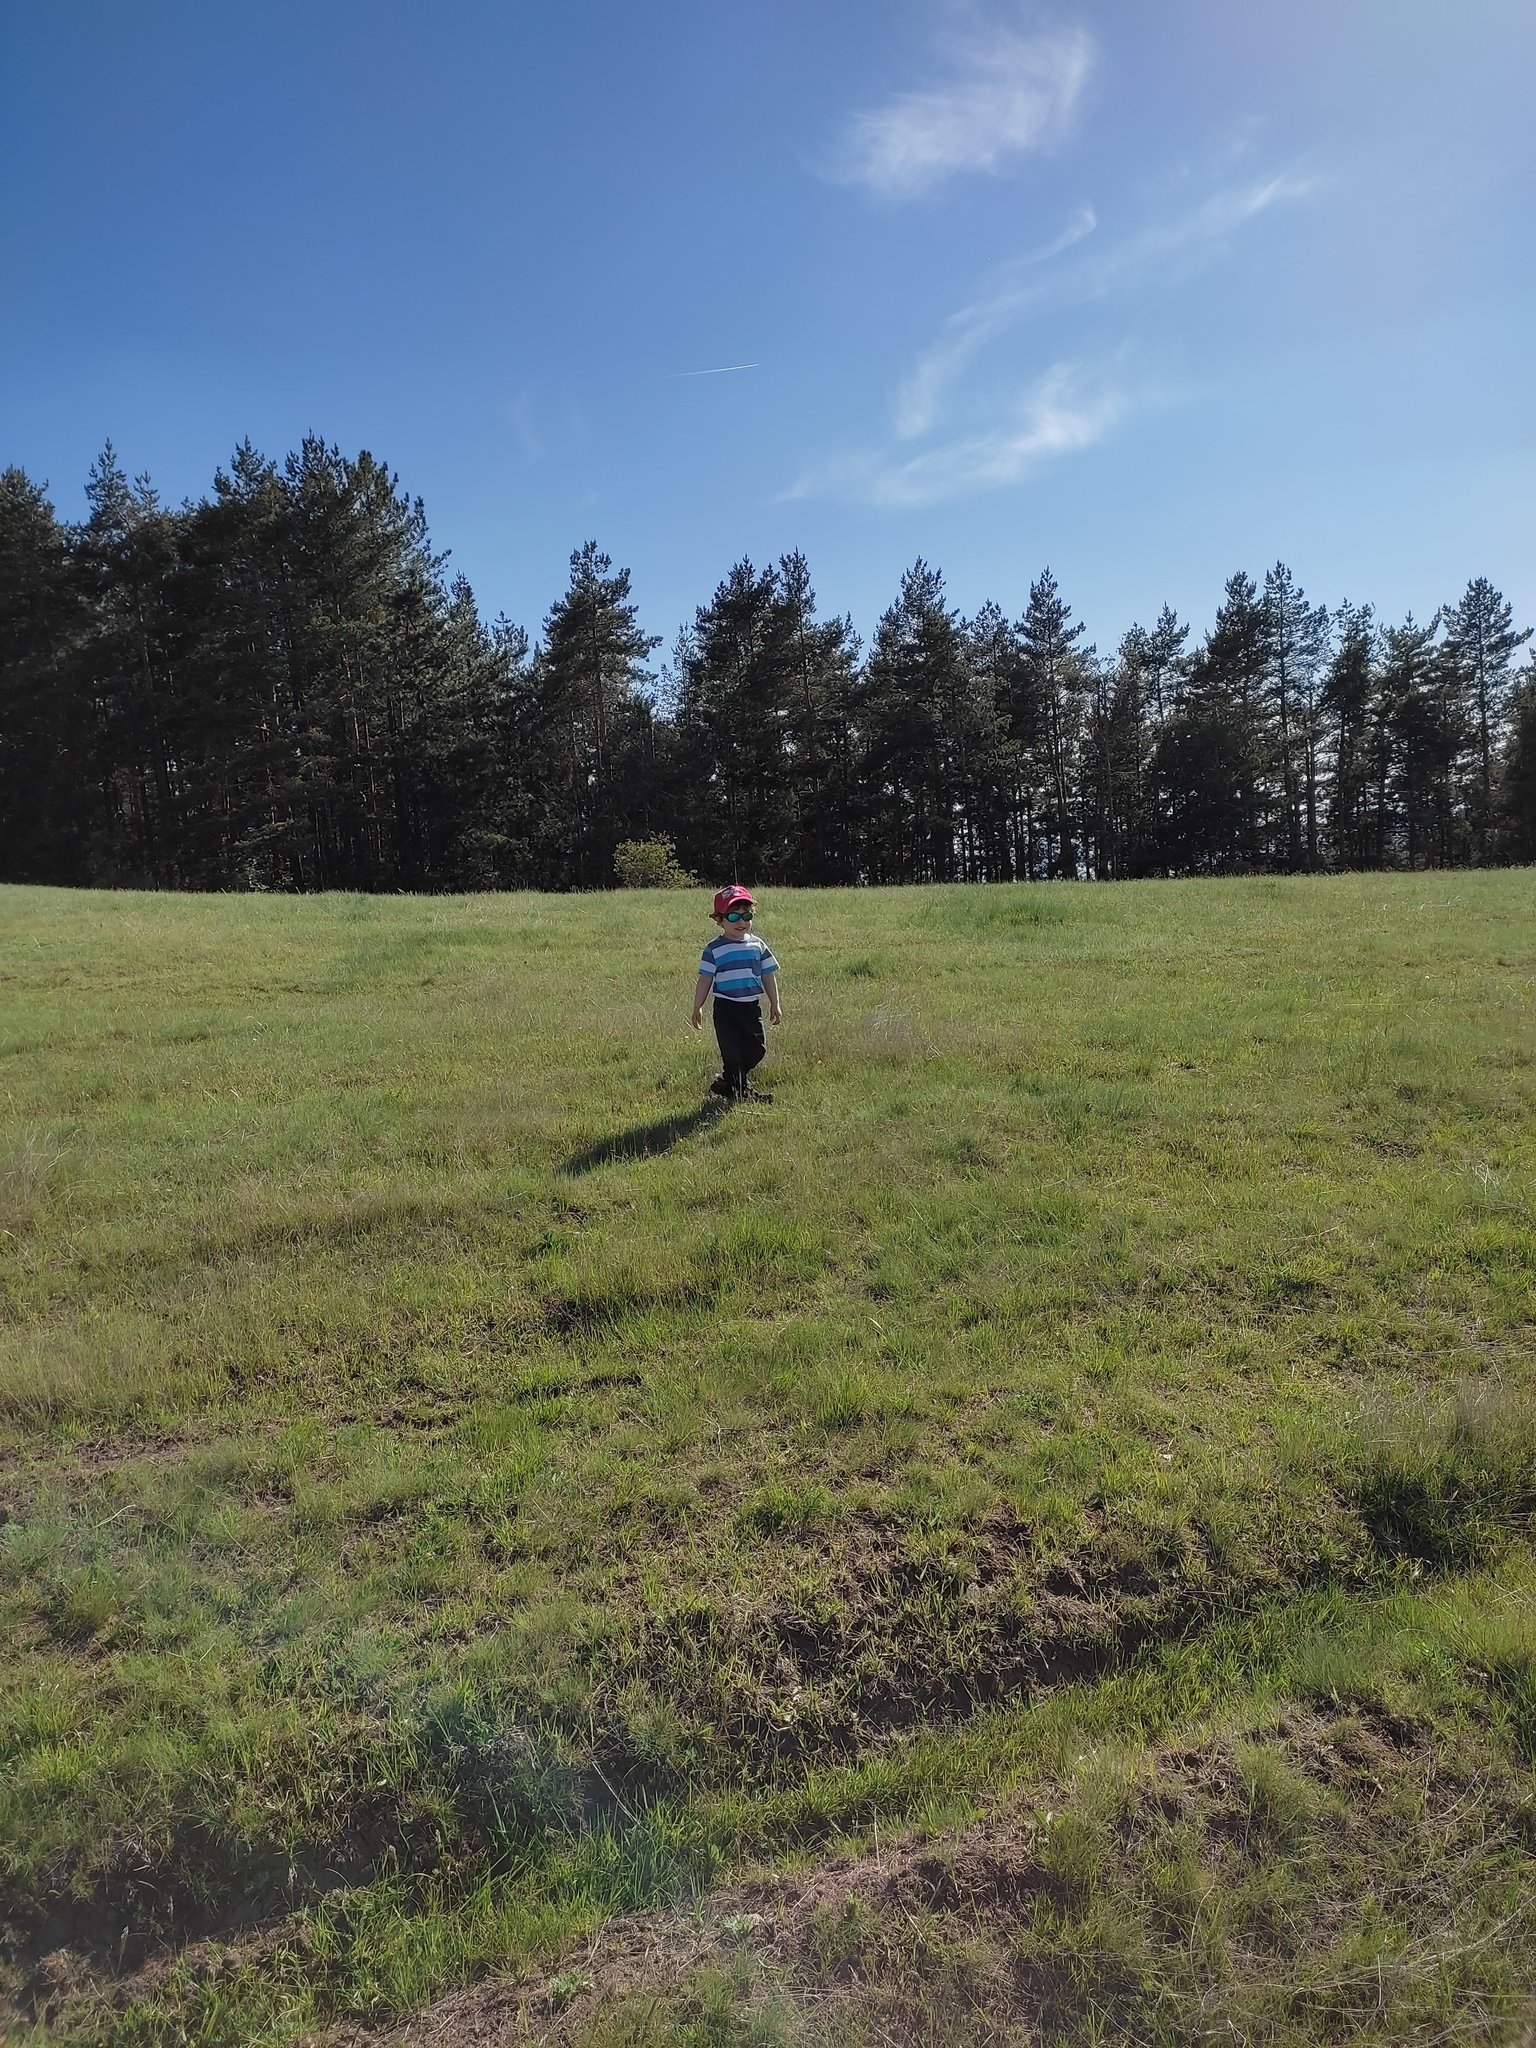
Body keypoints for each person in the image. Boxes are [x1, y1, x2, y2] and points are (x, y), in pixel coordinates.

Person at [691, 885, 782, 1101]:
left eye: (746, 916)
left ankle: (727, 1082)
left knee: (757, 1050)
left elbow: (768, 975)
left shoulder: (758, 945)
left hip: (751, 1007)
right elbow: (705, 979)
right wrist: (697, 1007)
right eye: (733, 916)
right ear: (719, 919)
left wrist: (775, 1003)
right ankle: (741, 1092)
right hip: (726, 1009)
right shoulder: (714, 949)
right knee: (732, 1054)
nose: (741, 922)